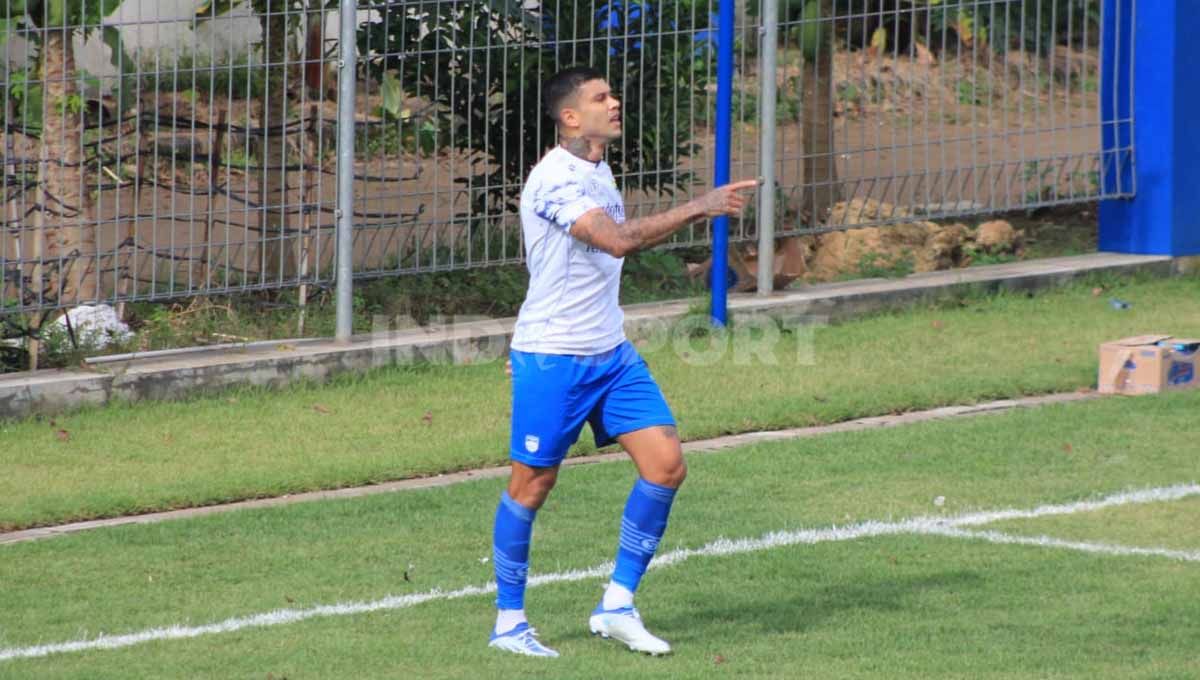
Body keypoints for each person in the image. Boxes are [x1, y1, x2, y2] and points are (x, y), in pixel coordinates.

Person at [488, 65, 758, 658]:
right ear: (569, 117)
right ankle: (509, 622)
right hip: (555, 356)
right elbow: (616, 241)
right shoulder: (555, 181)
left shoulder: (595, 168)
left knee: (665, 465)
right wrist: (702, 207)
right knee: (532, 485)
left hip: (610, 353)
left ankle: (617, 605)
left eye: (611, 94)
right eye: (600, 97)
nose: (615, 103)